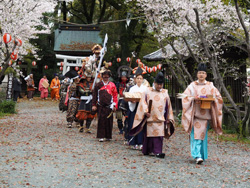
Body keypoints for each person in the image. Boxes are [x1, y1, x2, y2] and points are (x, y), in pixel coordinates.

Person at [181, 63, 223, 164]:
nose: (201, 75)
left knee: (202, 136)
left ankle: (200, 155)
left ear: (206, 75)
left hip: (206, 116)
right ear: (197, 74)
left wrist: (212, 100)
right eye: (199, 72)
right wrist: (193, 99)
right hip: (195, 115)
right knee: (196, 136)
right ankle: (197, 156)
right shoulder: (192, 86)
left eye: (203, 73)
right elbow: (185, 97)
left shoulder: (210, 86)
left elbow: (219, 98)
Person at [130, 72, 175, 158]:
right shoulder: (147, 91)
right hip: (150, 117)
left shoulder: (165, 92)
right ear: (154, 83)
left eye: (161, 84)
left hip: (160, 118)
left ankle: (157, 152)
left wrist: (169, 117)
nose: (159, 86)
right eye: (158, 84)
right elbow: (143, 102)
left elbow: (168, 106)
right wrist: (145, 111)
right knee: (149, 136)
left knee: (158, 137)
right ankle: (147, 150)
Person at [92, 70, 118, 142]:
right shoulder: (98, 85)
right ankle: (101, 136)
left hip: (109, 105)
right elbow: (94, 96)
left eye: (107, 77)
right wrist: (94, 104)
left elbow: (115, 95)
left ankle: (108, 136)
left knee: (109, 121)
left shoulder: (112, 85)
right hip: (100, 105)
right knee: (101, 120)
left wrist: (115, 105)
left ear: (109, 77)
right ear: (102, 76)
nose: (105, 78)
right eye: (104, 76)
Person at [127, 67, 148, 150]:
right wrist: (131, 101)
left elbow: (147, 98)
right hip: (134, 108)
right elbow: (129, 97)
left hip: (142, 109)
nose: (139, 80)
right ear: (135, 79)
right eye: (138, 78)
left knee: (141, 125)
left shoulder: (145, 88)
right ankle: (134, 142)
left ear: (143, 79)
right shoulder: (132, 89)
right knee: (133, 124)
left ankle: (141, 142)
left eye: (141, 78)